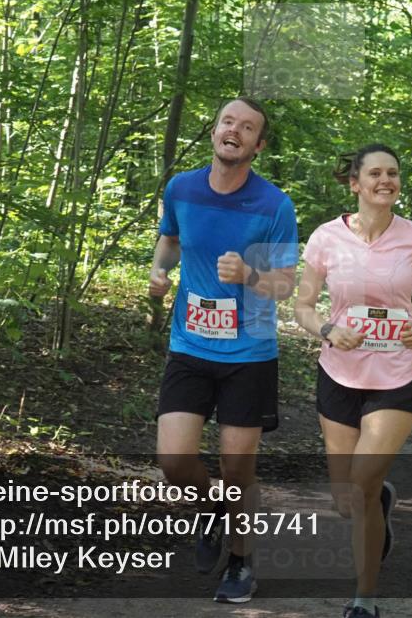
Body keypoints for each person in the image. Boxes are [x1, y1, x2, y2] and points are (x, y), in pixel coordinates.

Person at [294, 144, 412, 618]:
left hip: (395, 374)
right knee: (347, 498)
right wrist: (328, 329)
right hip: (339, 372)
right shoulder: (326, 237)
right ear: (356, 183)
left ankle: (363, 600)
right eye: (375, 173)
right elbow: (303, 306)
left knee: (364, 481)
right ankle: (380, 503)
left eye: (393, 172)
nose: (385, 180)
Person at [149, 97, 298, 603]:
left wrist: (250, 274)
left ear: (258, 145)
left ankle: (240, 560)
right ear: (214, 131)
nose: (234, 130)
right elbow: (169, 240)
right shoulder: (181, 188)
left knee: (238, 468)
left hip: (249, 353)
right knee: (173, 460)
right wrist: (159, 270)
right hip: (189, 344)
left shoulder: (274, 204)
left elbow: (285, 285)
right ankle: (213, 507)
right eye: (227, 121)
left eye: (247, 127)